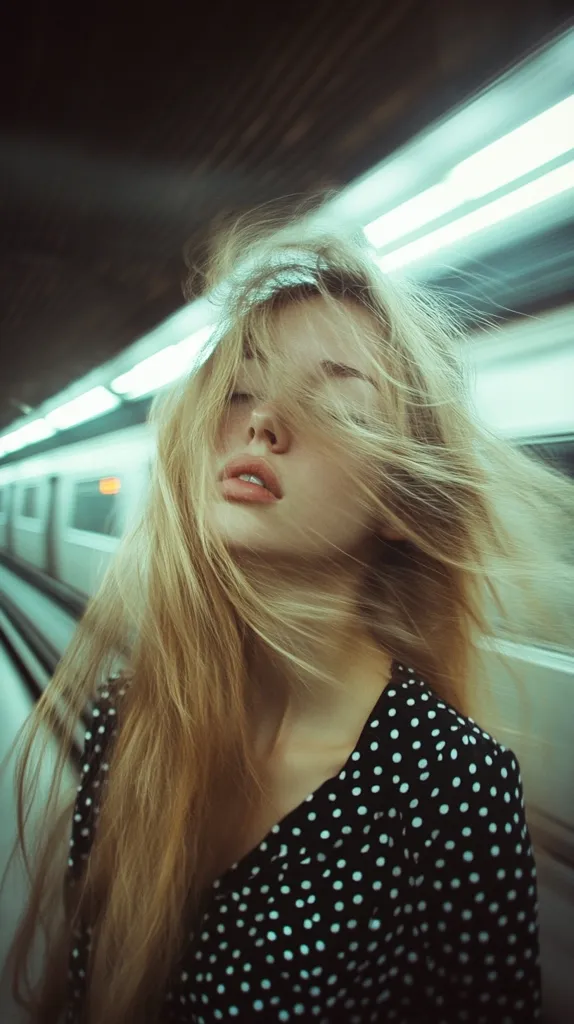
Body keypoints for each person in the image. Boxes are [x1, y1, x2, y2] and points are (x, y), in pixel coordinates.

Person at [5, 217, 573, 1023]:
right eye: (239, 389)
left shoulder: (449, 787)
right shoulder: (129, 723)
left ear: (401, 507)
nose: (262, 420)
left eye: (336, 401)